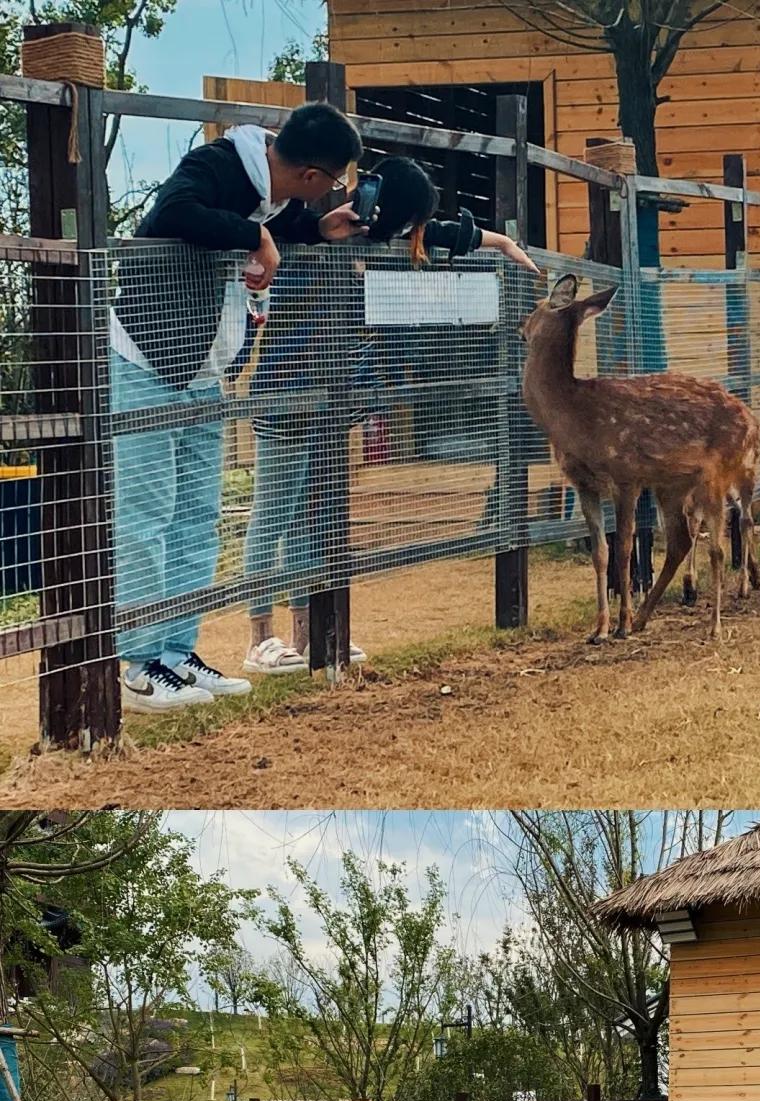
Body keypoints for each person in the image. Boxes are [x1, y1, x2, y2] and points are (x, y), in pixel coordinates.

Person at [239, 155, 539, 676]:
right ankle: (260, 637)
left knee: (317, 520)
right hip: (287, 396)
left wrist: (505, 245)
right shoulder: (317, 231)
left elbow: (448, 234)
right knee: (274, 516)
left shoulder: (390, 241)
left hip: (337, 406)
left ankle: (312, 632)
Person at [111, 102, 365, 712]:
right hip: (146, 362)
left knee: (199, 514)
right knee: (147, 514)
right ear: (311, 174)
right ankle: (138, 664)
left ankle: (177, 652)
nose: (329, 194)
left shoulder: (275, 202)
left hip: (204, 373)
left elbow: (267, 228)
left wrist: (309, 231)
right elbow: (171, 213)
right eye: (331, 183)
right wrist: (256, 237)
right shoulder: (218, 164)